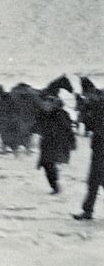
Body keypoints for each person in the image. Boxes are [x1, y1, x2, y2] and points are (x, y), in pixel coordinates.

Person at [34, 95, 75, 194]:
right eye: (44, 104)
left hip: (57, 143)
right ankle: (54, 183)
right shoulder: (42, 114)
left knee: (49, 163)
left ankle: (55, 186)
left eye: (48, 104)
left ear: (53, 105)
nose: (46, 106)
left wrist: (72, 141)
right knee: (45, 164)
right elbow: (36, 126)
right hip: (46, 143)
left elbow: (68, 129)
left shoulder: (60, 114)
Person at [74, 89, 104, 220]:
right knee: (93, 182)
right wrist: (86, 110)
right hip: (98, 150)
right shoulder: (95, 109)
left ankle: (87, 211)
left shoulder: (98, 109)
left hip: (100, 149)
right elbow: (89, 125)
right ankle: (87, 211)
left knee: (95, 181)